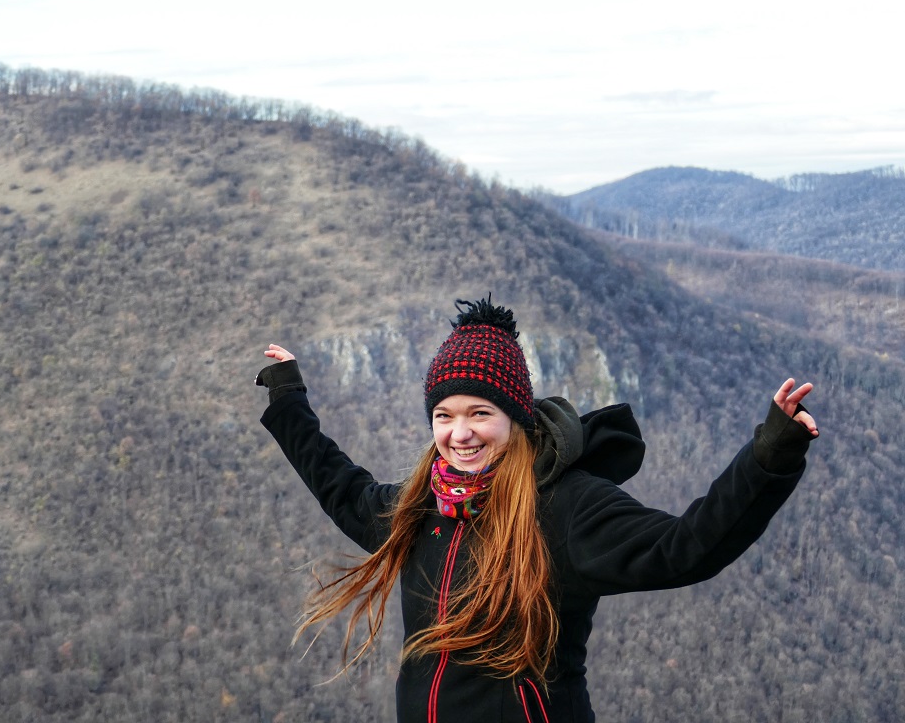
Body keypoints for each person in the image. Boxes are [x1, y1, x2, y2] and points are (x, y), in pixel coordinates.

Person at [255, 297, 817, 723]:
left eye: (480, 413)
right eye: (444, 416)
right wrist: (288, 399)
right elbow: (343, 488)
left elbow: (686, 548)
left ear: (515, 419)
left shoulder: (565, 509)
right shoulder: (420, 507)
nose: (460, 433)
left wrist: (770, 453)